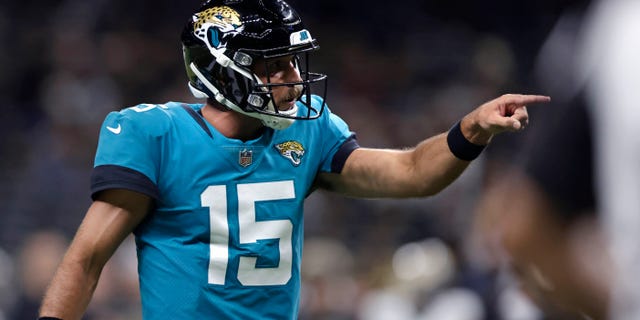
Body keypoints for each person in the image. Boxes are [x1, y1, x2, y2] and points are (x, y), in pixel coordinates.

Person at [37, 0, 549, 319]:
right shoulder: (156, 134)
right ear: (225, 71)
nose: (293, 79)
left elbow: (413, 173)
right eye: (275, 65)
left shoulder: (307, 128)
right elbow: (86, 260)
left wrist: (472, 129)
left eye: (293, 63)